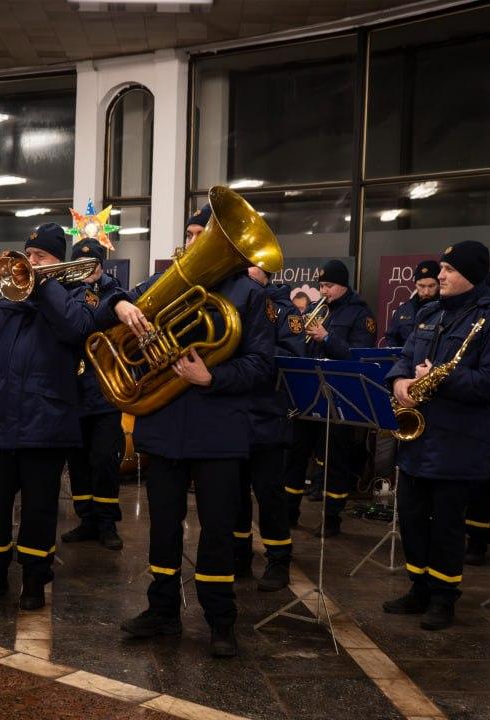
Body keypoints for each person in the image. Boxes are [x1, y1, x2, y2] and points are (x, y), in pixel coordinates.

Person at [113, 205, 274, 658]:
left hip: (219, 431)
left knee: (219, 530)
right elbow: (115, 305)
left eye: (203, 234)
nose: (193, 241)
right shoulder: (162, 285)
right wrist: (120, 304)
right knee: (163, 527)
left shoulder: (247, 294)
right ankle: (162, 611)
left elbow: (263, 366)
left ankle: (221, 620)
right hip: (164, 426)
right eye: (190, 232)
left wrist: (212, 378)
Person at [0, 223, 96, 611]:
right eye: (27, 256)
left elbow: (76, 328)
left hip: (45, 421)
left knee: (39, 509)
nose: (29, 263)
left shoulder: (76, 294)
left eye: (39, 257)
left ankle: (34, 579)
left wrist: (44, 285)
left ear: (57, 261)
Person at [381, 240, 490, 631]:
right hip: (418, 438)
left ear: (470, 275)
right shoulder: (429, 312)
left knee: (446, 524)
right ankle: (419, 587)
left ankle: (444, 597)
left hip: (459, 440)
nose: (439, 276)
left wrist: (442, 378)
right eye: (441, 269)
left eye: (449, 270)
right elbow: (403, 358)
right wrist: (401, 381)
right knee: (410, 517)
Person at [282, 259, 376, 537]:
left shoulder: (361, 314)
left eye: (329, 286)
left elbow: (359, 355)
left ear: (344, 285)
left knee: (336, 458)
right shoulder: (314, 308)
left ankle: (333, 518)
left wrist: (326, 337)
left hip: (338, 395)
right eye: (321, 285)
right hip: (309, 392)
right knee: (296, 453)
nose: (324, 291)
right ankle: (289, 511)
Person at [233, 267, 305, 592]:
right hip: (233, 410)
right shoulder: (233, 299)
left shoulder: (284, 309)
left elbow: (293, 355)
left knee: (269, 493)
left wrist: (252, 350)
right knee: (234, 493)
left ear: (265, 273)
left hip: (266, 413)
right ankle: (239, 556)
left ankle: (278, 560)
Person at [61, 238, 126, 551]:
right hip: (72, 393)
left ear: (102, 266)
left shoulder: (116, 293)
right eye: (81, 265)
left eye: (93, 265)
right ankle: (86, 519)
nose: (87, 270)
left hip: (104, 391)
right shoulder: (60, 291)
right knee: (78, 462)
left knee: (104, 460)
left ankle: (106, 522)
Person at [383, 260, 440, 347]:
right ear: (415, 284)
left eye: (431, 286)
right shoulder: (403, 310)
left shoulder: (447, 309)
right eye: (421, 286)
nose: (426, 292)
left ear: (439, 284)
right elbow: (391, 338)